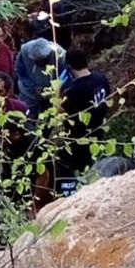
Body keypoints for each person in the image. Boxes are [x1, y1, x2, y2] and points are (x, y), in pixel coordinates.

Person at [58, 47, 112, 176]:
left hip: (79, 138)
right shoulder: (100, 78)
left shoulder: (75, 90)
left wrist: (58, 88)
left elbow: (58, 110)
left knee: (78, 168)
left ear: (69, 66)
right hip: (98, 129)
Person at [14, 18, 65, 117]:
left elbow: (63, 76)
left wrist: (53, 90)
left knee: (48, 121)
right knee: (25, 118)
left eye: (41, 60)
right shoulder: (25, 50)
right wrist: (33, 88)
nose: (38, 62)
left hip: (51, 95)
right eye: (35, 60)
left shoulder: (59, 55)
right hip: (28, 93)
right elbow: (21, 73)